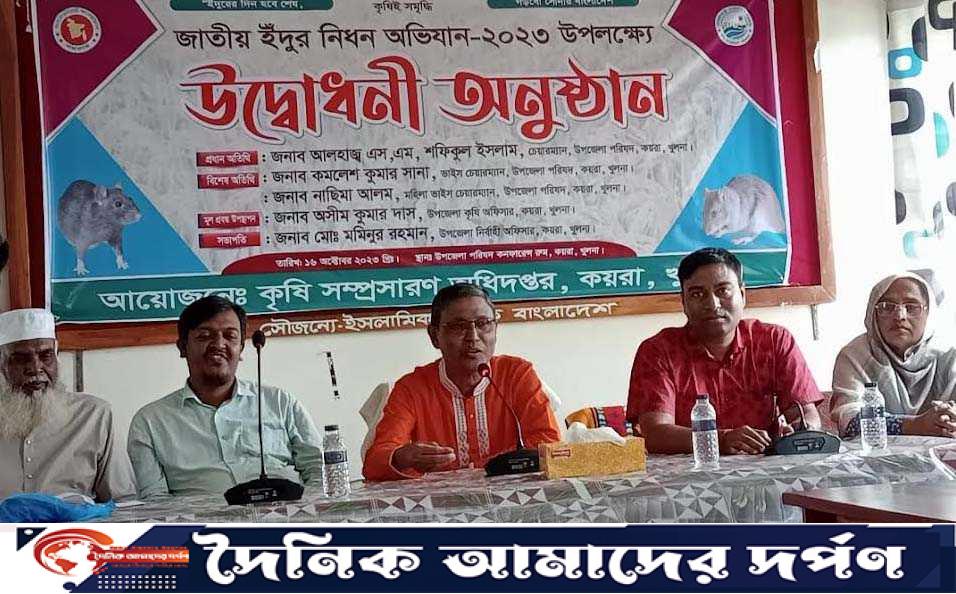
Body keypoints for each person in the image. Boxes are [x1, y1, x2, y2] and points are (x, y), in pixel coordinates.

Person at [627, 247, 823, 454]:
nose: (712, 304)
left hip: (765, 463)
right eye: (697, 294)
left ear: (742, 295)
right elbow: (655, 433)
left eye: (723, 291)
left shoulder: (774, 340)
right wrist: (720, 440)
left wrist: (799, 430)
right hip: (689, 470)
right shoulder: (658, 351)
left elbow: (805, 414)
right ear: (683, 302)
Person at [127, 296, 323, 498]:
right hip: (203, 518)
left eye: (230, 336)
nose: (219, 344)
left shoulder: (280, 403)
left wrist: (307, 509)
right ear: (183, 347)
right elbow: (156, 501)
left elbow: (320, 471)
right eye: (205, 336)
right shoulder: (150, 422)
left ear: (241, 349)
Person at [363, 284, 560, 481]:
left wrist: (496, 465)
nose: (473, 337)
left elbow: (549, 444)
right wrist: (402, 457)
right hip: (440, 499)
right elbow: (375, 461)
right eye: (458, 326)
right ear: (434, 336)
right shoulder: (411, 388)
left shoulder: (517, 375)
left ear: (495, 330)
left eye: (483, 324)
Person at [0, 308, 135, 501]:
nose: (36, 368)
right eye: (21, 359)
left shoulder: (94, 415)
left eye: (45, 356)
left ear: (56, 356)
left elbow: (123, 501)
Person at [831, 272, 956, 438]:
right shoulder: (855, 356)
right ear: (873, 313)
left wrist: (948, 418)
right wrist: (915, 425)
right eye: (887, 307)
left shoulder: (949, 356)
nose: (899, 316)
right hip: (875, 454)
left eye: (912, 307)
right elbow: (850, 422)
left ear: (929, 313)